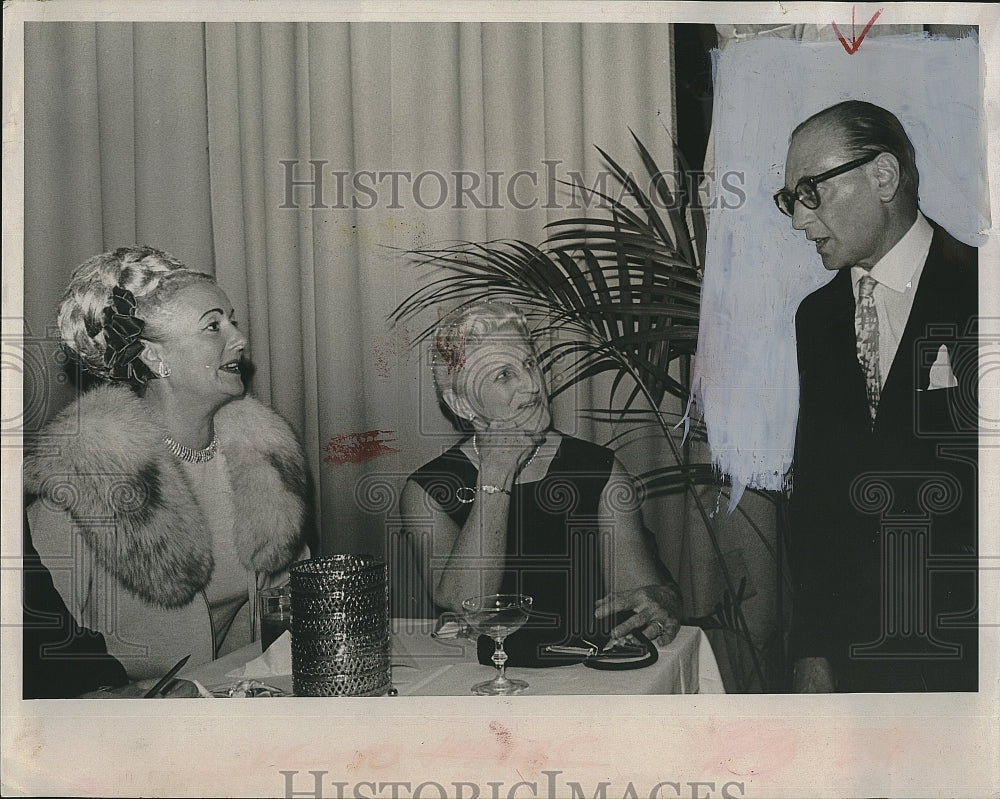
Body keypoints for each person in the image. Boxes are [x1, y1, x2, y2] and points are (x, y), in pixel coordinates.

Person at [23, 245, 311, 687]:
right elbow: (43, 653)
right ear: (155, 358)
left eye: (231, 320)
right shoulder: (83, 484)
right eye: (213, 326)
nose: (239, 338)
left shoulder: (260, 458)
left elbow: (296, 598)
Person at [776, 101, 978, 692]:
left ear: (882, 176)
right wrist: (813, 646)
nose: (797, 220)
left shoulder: (982, 291)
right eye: (790, 199)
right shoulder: (816, 318)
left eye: (810, 191)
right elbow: (816, 493)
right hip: (858, 654)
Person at [398, 302, 682, 657]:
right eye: (504, 375)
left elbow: (636, 604)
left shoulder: (597, 469)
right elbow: (468, 607)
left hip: (586, 676)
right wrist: (496, 474)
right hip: (483, 683)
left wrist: (661, 598)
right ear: (461, 404)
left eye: (531, 364)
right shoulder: (429, 489)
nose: (534, 386)